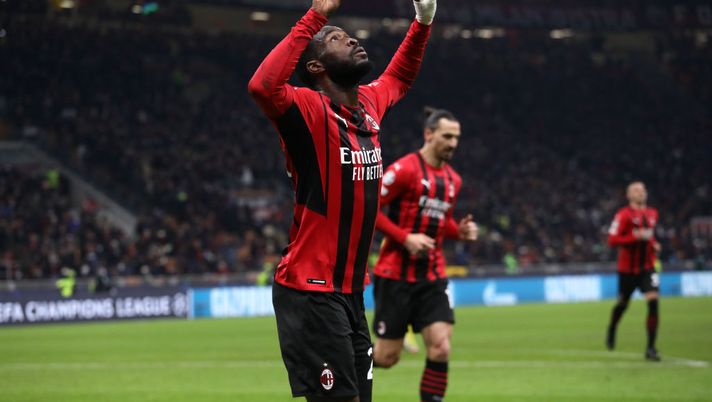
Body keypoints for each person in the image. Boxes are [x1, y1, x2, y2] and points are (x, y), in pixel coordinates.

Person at [247, 0, 437, 400]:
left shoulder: (367, 105)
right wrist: (316, 17)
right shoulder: (305, 107)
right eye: (336, 39)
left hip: (349, 291)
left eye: (348, 35)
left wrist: (423, 21)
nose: (351, 39)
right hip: (309, 288)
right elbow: (262, 86)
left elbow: (399, 77)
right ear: (316, 67)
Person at [371, 108, 478, 402]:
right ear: (428, 134)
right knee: (386, 357)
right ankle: (342, 366)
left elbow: (441, 222)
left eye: (456, 137)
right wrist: (405, 238)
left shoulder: (453, 180)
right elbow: (369, 208)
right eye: (447, 136)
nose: (453, 143)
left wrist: (460, 231)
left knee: (441, 347)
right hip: (395, 276)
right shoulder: (404, 169)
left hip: (432, 276)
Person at [606, 181, 662, 361]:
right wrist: (634, 236)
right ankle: (613, 327)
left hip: (648, 268)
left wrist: (654, 245)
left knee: (653, 303)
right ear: (628, 195)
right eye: (636, 190)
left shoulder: (653, 213)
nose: (641, 192)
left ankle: (651, 348)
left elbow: (649, 237)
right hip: (627, 270)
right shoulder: (622, 215)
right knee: (622, 305)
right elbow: (612, 240)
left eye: (643, 190)